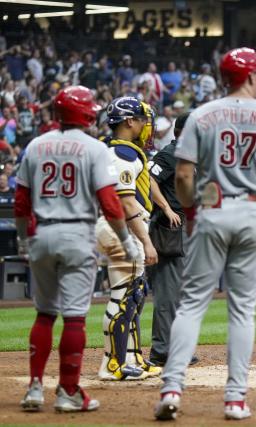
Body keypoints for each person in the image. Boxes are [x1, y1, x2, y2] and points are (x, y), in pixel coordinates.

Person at [154, 47, 256, 421]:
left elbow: (183, 175)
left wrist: (194, 211)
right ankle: (234, 399)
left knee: (192, 304)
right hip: (251, 210)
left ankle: (171, 388)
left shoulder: (201, 115)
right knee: (242, 310)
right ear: (249, 77)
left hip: (212, 210)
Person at [15, 86, 139, 413]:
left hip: (41, 233)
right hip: (77, 234)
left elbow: (21, 201)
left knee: (44, 314)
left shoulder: (36, 145)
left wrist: (22, 239)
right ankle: (68, 391)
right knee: (73, 318)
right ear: (86, 112)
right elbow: (111, 204)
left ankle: (34, 389)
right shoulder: (95, 149)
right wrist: (127, 242)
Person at [96, 96, 160, 381]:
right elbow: (126, 202)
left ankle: (133, 358)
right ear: (128, 121)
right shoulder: (123, 153)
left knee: (134, 295)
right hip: (120, 227)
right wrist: (146, 241)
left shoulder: (113, 148)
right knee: (124, 297)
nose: (146, 125)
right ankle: (112, 364)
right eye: (142, 119)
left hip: (115, 225)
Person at [147, 113, 198, 367]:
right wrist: (166, 208)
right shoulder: (170, 153)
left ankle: (178, 347)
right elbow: (148, 180)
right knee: (168, 292)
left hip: (187, 227)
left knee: (182, 293)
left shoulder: (189, 155)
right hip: (171, 228)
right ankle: (161, 350)